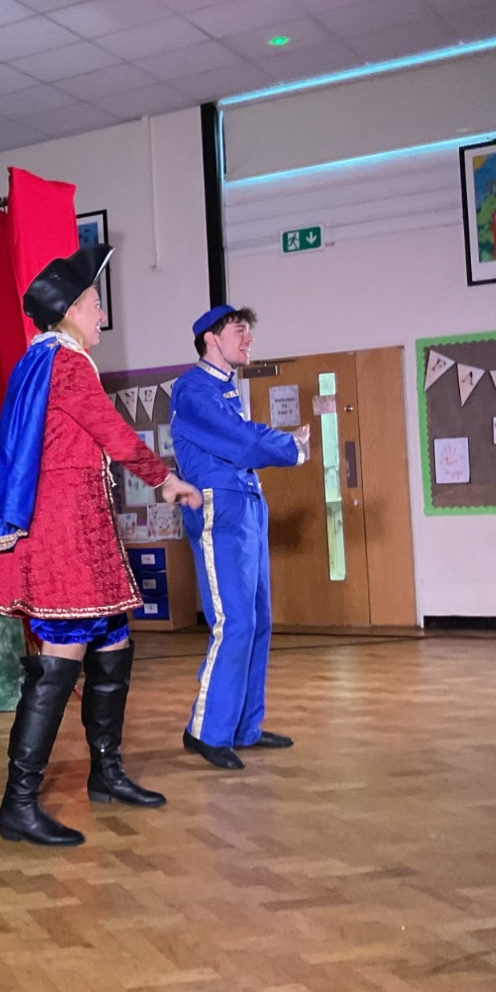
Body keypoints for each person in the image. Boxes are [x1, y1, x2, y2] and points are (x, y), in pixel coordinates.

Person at [0, 245, 201, 848]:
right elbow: (114, 434)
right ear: (72, 310)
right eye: (96, 303)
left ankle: (107, 771)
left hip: (86, 531)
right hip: (64, 535)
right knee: (60, 658)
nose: (102, 314)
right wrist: (166, 480)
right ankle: (18, 804)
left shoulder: (47, 359)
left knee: (112, 643)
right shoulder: (65, 365)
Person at [169, 306, 309, 771]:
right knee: (233, 623)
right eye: (239, 331)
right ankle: (206, 732)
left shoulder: (225, 388)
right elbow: (240, 440)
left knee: (257, 621)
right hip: (220, 509)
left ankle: (243, 727)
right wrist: (291, 446)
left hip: (246, 505)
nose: (248, 340)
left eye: (249, 332)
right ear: (210, 339)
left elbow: (242, 442)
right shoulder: (193, 389)